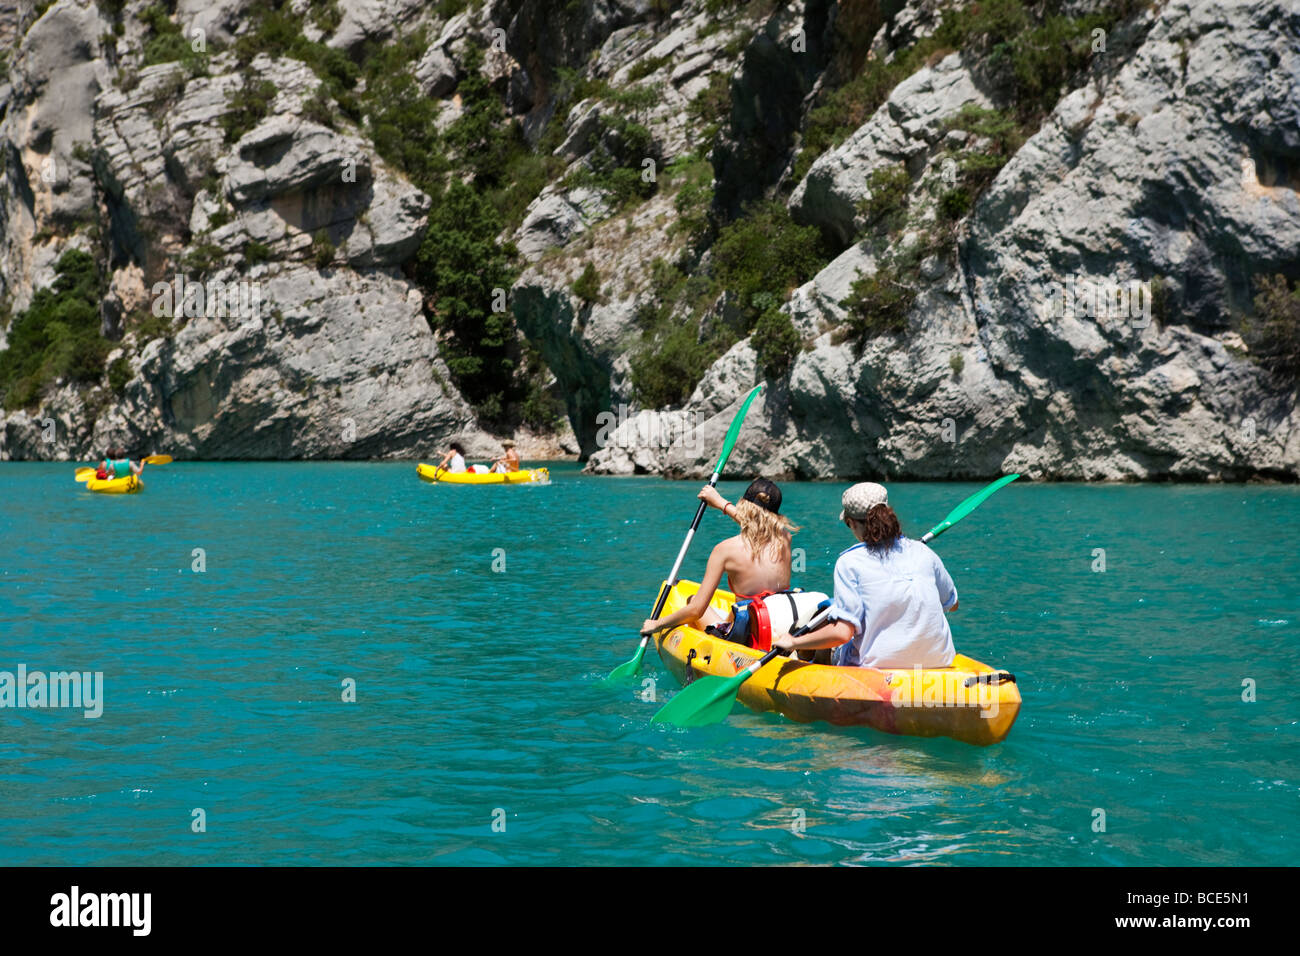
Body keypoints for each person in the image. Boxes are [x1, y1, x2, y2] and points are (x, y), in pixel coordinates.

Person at [772, 482, 957, 668]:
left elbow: (842, 633)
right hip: (939, 660)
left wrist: (793, 642)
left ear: (851, 523)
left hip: (878, 667)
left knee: (825, 620)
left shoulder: (849, 562)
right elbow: (952, 604)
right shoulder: (923, 553)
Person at [640, 478, 799, 639]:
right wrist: (720, 503)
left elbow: (696, 610)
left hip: (747, 635)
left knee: (692, 600)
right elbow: (757, 524)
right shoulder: (785, 538)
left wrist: (658, 624)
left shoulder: (724, 550)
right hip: (780, 624)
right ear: (776, 515)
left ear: (743, 505)